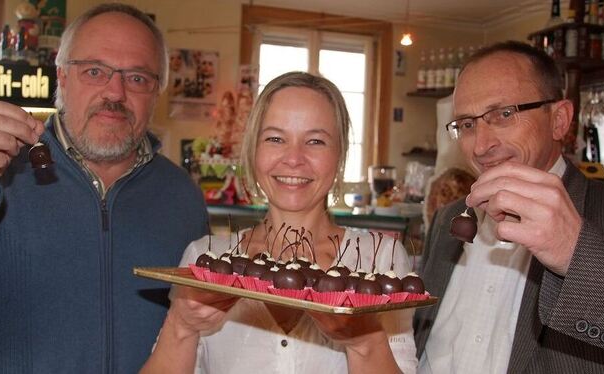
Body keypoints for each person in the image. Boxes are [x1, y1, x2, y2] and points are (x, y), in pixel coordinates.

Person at [0, 4, 208, 373]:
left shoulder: (183, 197)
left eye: (137, 78)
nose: (114, 92)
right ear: (62, 77)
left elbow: (203, 336)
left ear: (157, 91)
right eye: (95, 71)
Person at [141, 72, 418, 374]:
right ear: (253, 150)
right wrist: (181, 327)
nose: (294, 158)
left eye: (315, 141)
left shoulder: (380, 261)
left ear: (340, 156)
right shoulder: (204, 259)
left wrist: (367, 342)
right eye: (275, 138)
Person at [414, 40, 604, 373]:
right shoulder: (449, 219)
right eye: (467, 124)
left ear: (560, 120)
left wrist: (575, 253)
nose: (481, 145)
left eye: (504, 114)